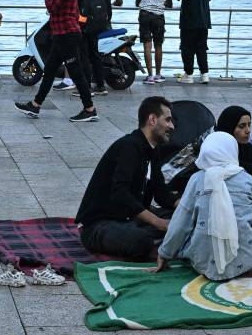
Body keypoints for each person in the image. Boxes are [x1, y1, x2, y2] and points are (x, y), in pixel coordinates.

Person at [154, 132, 252, 281]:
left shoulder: (196, 180)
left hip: (203, 262)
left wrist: (164, 253)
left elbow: (180, 224)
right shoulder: (247, 180)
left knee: (191, 242)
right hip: (244, 260)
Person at [76, 96, 177, 259]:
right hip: (101, 224)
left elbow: (161, 192)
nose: (172, 126)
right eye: (168, 120)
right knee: (141, 240)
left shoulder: (153, 149)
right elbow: (120, 194)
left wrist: (185, 207)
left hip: (129, 219)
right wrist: (158, 223)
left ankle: (160, 238)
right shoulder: (129, 146)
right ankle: (156, 241)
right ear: (152, 119)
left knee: (182, 220)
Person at [14, 0, 98, 122]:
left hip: (67, 35)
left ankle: (89, 109)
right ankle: (35, 105)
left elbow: (51, 7)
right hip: (61, 34)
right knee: (50, 71)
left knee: (76, 72)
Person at [162, 0, 211, 83]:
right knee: (201, 49)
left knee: (187, 49)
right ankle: (204, 75)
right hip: (204, 22)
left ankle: (188, 75)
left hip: (189, 22)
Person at [70, 0, 108, 96]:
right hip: (96, 23)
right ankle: (101, 86)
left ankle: (86, 88)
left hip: (81, 24)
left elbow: (73, 5)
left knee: (83, 56)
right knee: (95, 54)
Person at [136, 0, 172, 84]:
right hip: (158, 17)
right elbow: (169, 3)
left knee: (147, 44)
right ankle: (158, 74)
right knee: (158, 45)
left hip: (144, 15)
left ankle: (150, 76)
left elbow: (137, 2)